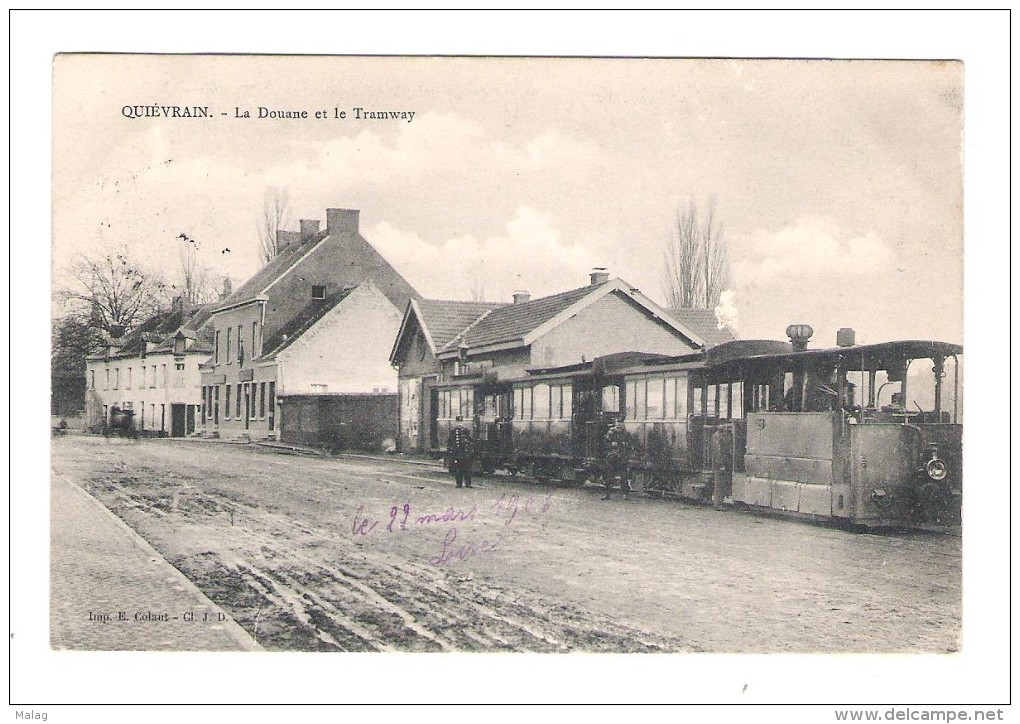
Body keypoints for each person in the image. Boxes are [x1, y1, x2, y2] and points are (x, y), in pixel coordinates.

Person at [601, 419, 631, 500]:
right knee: (609, 477)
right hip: (612, 458)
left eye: (620, 424)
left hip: (622, 458)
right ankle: (607, 494)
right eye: (618, 424)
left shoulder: (626, 434)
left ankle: (625, 494)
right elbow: (605, 443)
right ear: (615, 424)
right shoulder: (611, 433)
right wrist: (611, 445)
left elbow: (630, 445)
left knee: (624, 477)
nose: (619, 426)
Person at [447, 415, 475, 489]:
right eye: (458, 422)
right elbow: (450, 443)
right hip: (457, 453)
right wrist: (451, 451)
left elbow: (470, 441)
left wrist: (469, 449)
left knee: (467, 469)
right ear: (456, 422)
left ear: (462, 422)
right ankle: (459, 483)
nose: (459, 423)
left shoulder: (466, 431)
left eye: (461, 422)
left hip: (465, 453)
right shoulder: (453, 432)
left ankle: (468, 484)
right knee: (458, 469)